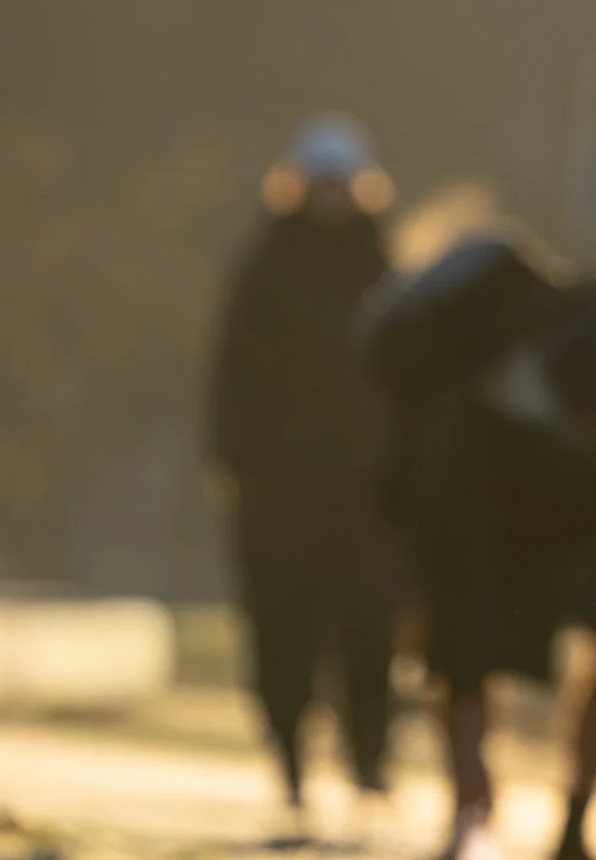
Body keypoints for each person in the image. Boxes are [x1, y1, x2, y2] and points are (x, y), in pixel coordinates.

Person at [366, 225, 596, 860]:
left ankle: (577, 822)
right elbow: (451, 633)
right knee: (463, 648)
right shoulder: (469, 422)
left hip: (595, 511)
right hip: (490, 503)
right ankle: (472, 815)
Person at [205, 112, 401, 826]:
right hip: (280, 490)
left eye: (339, 184)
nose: (329, 197)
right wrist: (235, 464)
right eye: (319, 184)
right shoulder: (264, 270)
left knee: (369, 627)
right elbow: (230, 377)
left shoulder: (384, 266)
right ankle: (290, 752)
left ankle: (370, 755)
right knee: (282, 626)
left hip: (366, 490)